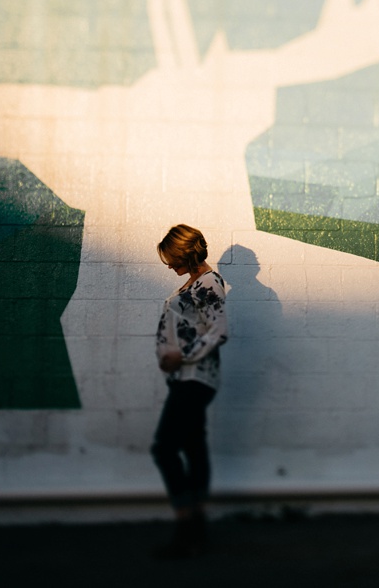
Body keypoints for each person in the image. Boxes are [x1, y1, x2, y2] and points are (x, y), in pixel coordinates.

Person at [151, 224, 228, 558]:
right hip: (186, 378)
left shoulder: (208, 282)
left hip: (195, 377)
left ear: (183, 252)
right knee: (193, 445)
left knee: (164, 448)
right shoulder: (193, 284)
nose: (168, 265)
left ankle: (186, 524)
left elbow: (219, 331)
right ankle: (197, 532)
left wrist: (179, 356)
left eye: (170, 258)